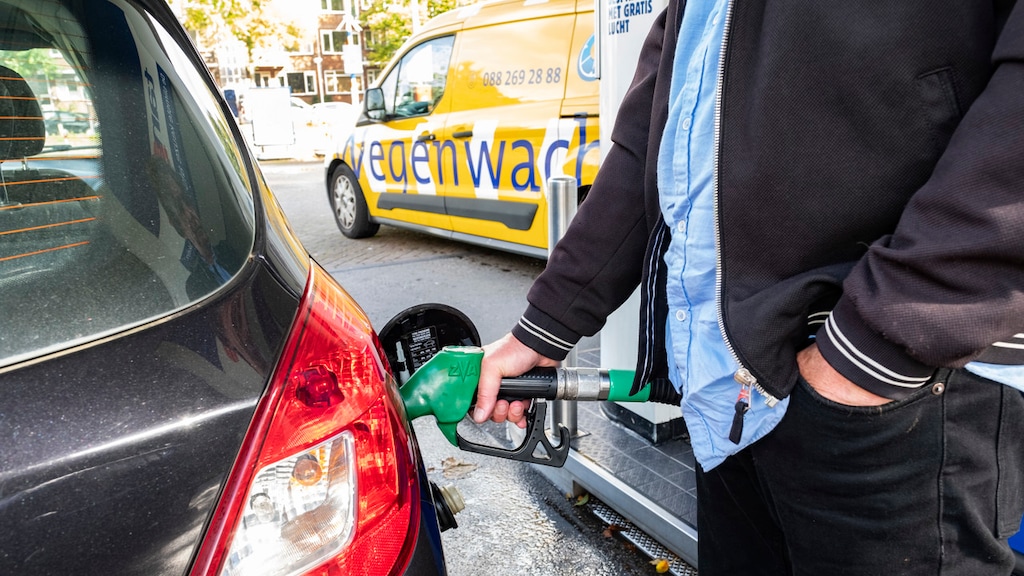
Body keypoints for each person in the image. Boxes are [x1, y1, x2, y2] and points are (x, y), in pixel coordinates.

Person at [472, 1, 1024, 575]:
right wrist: (547, 324)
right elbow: (655, 138)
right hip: (733, 380)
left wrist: (880, 345)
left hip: (891, 387)